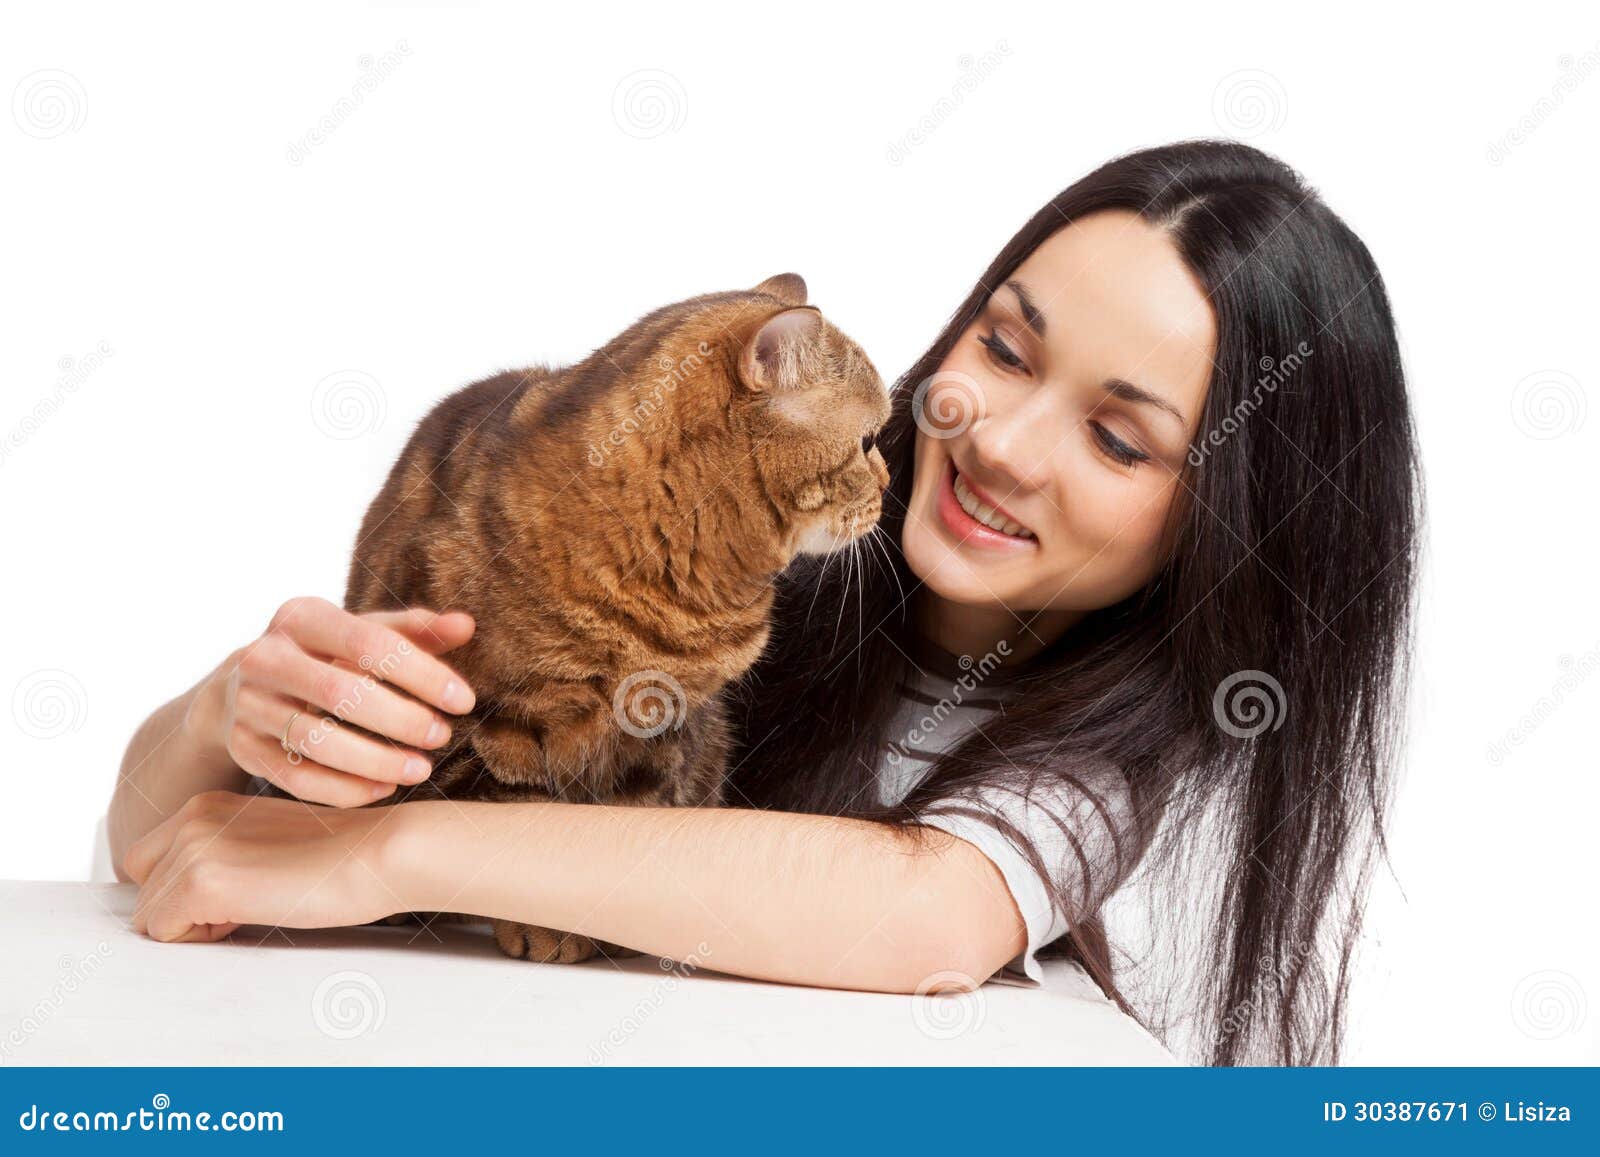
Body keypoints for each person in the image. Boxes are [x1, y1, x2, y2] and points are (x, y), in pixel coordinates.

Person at [109, 140, 1422, 1065]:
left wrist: (390, 852)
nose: (1002, 441)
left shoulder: (1131, 737)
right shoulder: (759, 527)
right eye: (1005, 346)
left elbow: (928, 911)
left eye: (1120, 442)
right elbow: (157, 846)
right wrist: (232, 717)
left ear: (1230, 534)